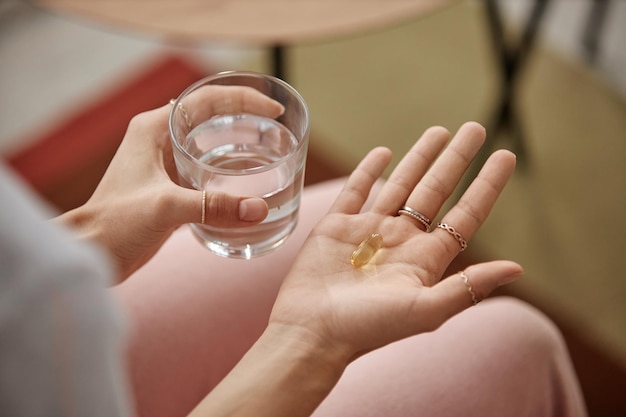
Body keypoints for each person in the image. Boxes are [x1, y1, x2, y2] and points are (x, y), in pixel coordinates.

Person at [0, 85, 587, 417]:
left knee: (373, 206)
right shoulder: (43, 302)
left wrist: (91, 230)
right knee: (515, 341)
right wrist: (310, 342)